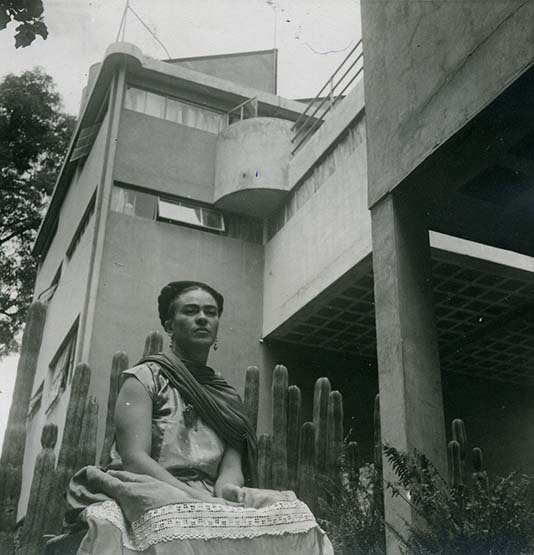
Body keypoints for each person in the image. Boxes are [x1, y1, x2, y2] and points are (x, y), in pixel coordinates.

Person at [65, 281, 333, 554]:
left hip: (210, 493)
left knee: (294, 513)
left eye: (210, 312)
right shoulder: (143, 379)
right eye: (191, 311)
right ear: (170, 325)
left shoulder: (226, 397)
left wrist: (227, 494)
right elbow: (134, 459)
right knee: (174, 520)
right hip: (149, 485)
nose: (203, 318)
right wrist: (192, 497)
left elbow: (231, 466)